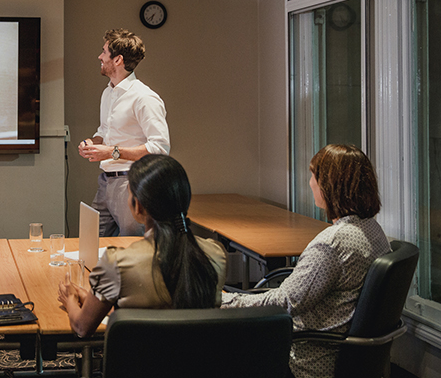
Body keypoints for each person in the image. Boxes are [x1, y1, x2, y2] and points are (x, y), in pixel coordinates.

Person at [221, 144, 391, 378]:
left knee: (219, 347)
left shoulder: (332, 244)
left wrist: (225, 301)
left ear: (331, 185)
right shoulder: (374, 230)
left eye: (314, 176)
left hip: (306, 360)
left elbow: (282, 303)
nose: (310, 183)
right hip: (343, 351)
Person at [58, 154, 227, 338]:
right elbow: (169, 315)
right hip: (202, 365)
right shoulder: (215, 254)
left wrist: (70, 299)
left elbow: (83, 327)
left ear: (137, 206)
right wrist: (94, 299)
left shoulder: (116, 263)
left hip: (139, 366)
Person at [78, 29, 170, 236]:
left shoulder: (144, 98)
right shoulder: (108, 92)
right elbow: (104, 131)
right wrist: (92, 142)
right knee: (90, 242)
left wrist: (111, 152)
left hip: (132, 183)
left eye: (104, 52)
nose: (99, 57)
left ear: (118, 59)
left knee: (131, 246)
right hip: (106, 182)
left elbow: (160, 148)